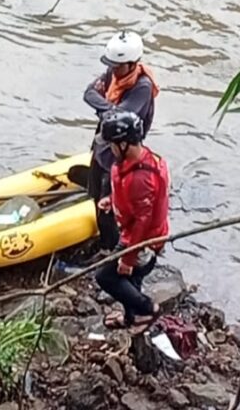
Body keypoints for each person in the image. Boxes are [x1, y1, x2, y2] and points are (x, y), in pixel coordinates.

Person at [94, 110, 170, 335]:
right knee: (131, 279)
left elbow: (142, 222)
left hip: (142, 240)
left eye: (112, 145)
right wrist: (114, 201)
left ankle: (148, 309)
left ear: (124, 144)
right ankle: (131, 318)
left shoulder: (141, 177)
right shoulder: (144, 159)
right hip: (143, 233)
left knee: (106, 276)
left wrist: (128, 257)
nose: (110, 149)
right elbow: (140, 203)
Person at [83, 31, 159, 250]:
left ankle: (110, 246)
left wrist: (107, 111)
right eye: (112, 65)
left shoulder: (142, 88)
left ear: (132, 63)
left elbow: (120, 120)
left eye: (118, 66)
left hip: (119, 155)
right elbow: (89, 93)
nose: (113, 70)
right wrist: (109, 110)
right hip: (102, 147)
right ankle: (103, 237)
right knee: (95, 192)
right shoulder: (113, 74)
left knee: (108, 204)